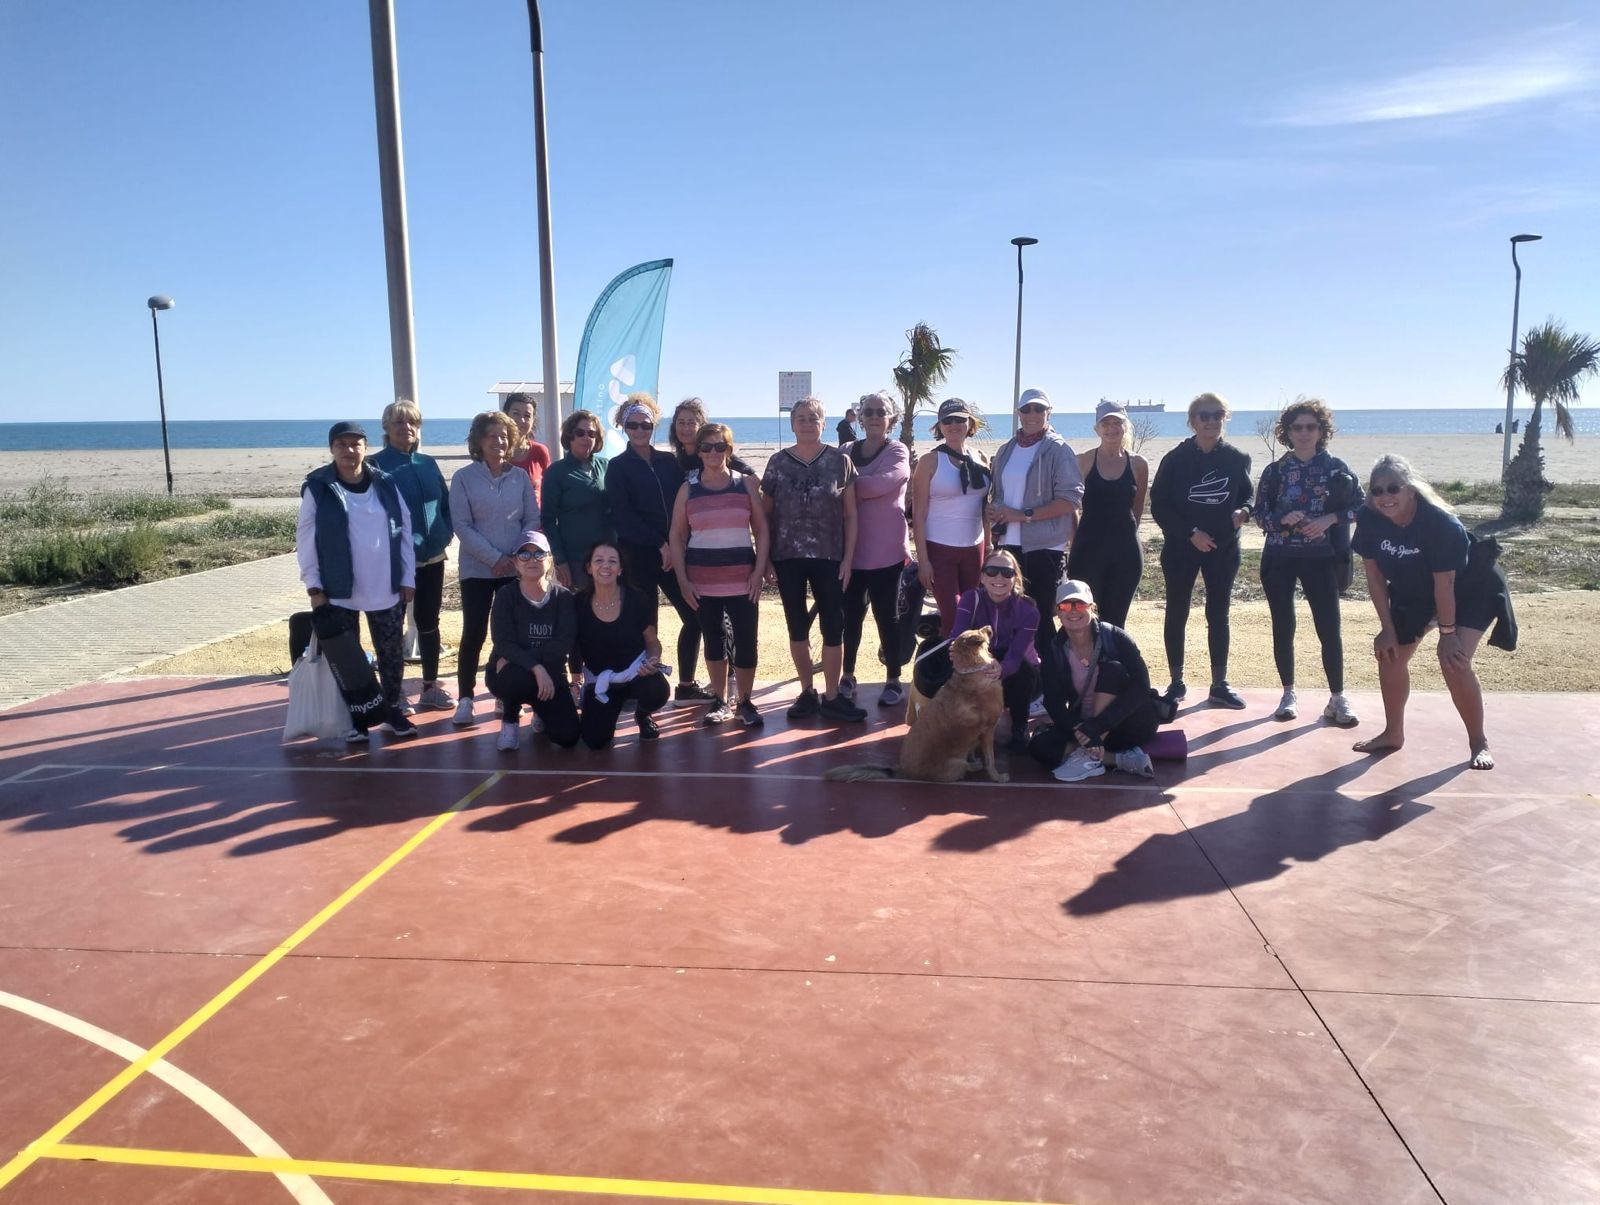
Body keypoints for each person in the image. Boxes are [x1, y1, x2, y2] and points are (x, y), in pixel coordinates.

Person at [1351, 455, 1515, 770]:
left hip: (1469, 589)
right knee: (1389, 654)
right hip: (1417, 592)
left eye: (1393, 488)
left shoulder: (1440, 524)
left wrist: (1448, 635)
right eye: (1377, 490)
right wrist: (1386, 628)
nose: (1385, 497)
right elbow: (1374, 578)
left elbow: (1446, 585)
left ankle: (1478, 741)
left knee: (1453, 661)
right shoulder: (1369, 519)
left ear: (1410, 490)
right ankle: (1392, 733)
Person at [296, 420, 417, 740]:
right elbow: (306, 539)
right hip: (339, 589)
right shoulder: (318, 487)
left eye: (355, 444)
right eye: (341, 445)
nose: (349, 451)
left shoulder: (387, 483)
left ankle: (392, 711)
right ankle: (356, 719)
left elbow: (403, 532)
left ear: (365, 447)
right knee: (348, 661)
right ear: (332, 449)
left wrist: (407, 577)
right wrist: (314, 586)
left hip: (386, 586)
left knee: (391, 655)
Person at [1254, 398, 1363, 726]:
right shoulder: (1275, 471)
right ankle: (1288, 693)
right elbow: (1259, 515)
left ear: (1321, 431)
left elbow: (1364, 507)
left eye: (1310, 427)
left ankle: (1337, 698)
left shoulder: (1336, 469)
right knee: (1283, 626)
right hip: (1279, 557)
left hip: (1322, 559)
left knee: (1329, 628)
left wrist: (1330, 519)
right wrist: (1283, 519)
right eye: (1297, 427)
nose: (1303, 433)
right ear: (1287, 432)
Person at [603, 392, 715, 707]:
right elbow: (622, 517)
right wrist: (660, 543)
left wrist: (675, 544)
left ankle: (686, 685)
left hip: (674, 553)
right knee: (645, 624)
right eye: (634, 426)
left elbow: (687, 502)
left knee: (695, 615)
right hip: (638, 555)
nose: (640, 431)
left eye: (646, 426)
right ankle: (640, 688)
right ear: (624, 428)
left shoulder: (669, 462)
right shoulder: (617, 467)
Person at [761, 395, 865, 721]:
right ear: (792, 424)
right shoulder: (777, 462)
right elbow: (764, 516)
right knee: (796, 626)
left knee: (834, 626)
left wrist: (848, 558)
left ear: (823, 423)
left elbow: (850, 515)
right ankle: (807, 692)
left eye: (813, 418)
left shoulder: (840, 461)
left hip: (829, 555)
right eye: (801, 418)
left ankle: (832, 695)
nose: (807, 423)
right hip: (787, 556)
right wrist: (763, 561)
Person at [1149, 392, 1253, 708]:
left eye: (1217, 414)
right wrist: (1190, 533)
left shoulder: (1236, 459)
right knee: (1177, 611)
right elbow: (1159, 506)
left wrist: (1244, 513)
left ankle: (1219, 684)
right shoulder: (1175, 459)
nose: (1211, 421)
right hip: (1182, 547)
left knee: (1218, 613)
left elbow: (1248, 497)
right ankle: (1176, 682)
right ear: (1193, 421)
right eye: (1204, 416)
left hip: (1223, 549)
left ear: (1225, 418)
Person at [669, 422, 769, 728]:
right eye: (707, 447)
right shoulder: (688, 489)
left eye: (720, 446)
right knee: (714, 641)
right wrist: (683, 580)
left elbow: (762, 531)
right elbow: (676, 536)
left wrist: (759, 571)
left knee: (746, 642)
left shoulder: (747, 483)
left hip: (743, 581)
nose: (714, 452)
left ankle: (746, 702)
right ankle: (721, 701)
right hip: (703, 583)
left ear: (730, 449)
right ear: (698, 452)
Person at [449, 410, 539, 728]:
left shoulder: (520, 477)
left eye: (504, 436)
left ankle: (504, 694)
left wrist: (516, 558)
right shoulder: (463, 478)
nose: (499, 441)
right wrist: (494, 558)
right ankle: (466, 700)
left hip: (514, 569)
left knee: (509, 637)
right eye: (492, 435)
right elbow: (461, 524)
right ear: (479, 441)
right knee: (474, 633)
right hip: (477, 570)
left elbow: (531, 519)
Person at [1032, 579, 1161, 781]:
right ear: (1057, 612)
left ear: (1092, 607)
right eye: (1065, 605)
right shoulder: (1054, 649)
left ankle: (1086, 755)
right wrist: (1080, 730)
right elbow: (1053, 701)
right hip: (1085, 728)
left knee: (1113, 670)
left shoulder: (1116, 638)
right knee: (1039, 747)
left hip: (1126, 723)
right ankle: (1117, 760)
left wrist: (1098, 726)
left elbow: (1141, 686)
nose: (1073, 611)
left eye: (1080, 604)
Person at [370, 399, 454, 713]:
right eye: (398, 423)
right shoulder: (375, 465)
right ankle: (394, 694)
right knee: (389, 626)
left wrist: (445, 532)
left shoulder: (427, 463)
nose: (406, 429)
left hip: (433, 558)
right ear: (387, 430)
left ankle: (430, 688)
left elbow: (444, 503)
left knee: (429, 623)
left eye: (412, 423)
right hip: (395, 564)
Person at [987, 387, 1084, 642]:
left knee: (1039, 619)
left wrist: (1023, 515)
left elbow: (1071, 499)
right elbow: (1001, 494)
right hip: (1009, 546)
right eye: (1027, 409)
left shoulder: (1058, 450)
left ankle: (1048, 678)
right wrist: (994, 509)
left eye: (1039, 408)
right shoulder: (1007, 449)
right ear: (1018, 413)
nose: (1032, 414)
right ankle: (1018, 677)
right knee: (1011, 617)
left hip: (1045, 547)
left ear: (1048, 413)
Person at [840, 391, 912, 707]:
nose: (873, 416)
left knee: (888, 616)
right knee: (850, 617)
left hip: (887, 552)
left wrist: (847, 489)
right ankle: (847, 674)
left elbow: (884, 483)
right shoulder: (845, 450)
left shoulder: (897, 450)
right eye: (867, 411)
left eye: (880, 412)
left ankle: (893, 678)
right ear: (860, 416)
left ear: (891, 419)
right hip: (851, 552)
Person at [485, 531, 581, 752]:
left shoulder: (563, 598)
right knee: (510, 676)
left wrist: (534, 665)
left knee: (568, 737)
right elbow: (503, 643)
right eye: (524, 554)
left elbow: (563, 643)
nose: (532, 560)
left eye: (539, 553)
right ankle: (510, 718)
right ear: (515, 562)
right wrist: (536, 667)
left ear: (549, 560)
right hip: (515, 674)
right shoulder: (506, 596)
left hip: (549, 674)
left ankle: (541, 711)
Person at [573, 542, 670, 748]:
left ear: (620, 569)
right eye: (599, 560)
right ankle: (608, 713)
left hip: (636, 674)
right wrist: (574, 680)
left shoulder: (636, 598)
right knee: (594, 740)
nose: (605, 566)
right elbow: (572, 645)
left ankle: (642, 714)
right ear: (589, 568)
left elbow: (652, 641)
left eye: (612, 561)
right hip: (601, 681)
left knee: (657, 690)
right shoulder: (577, 602)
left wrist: (652, 661)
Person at [912, 398, 991, 637]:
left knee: (974, 614)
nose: (954, 425)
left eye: (960, 419)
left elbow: (984, 508)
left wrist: (989, 546)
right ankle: (953, 670)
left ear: (970, 423)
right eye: (947, 420)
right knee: (954, 615)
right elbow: (918, 514)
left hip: (974, 549)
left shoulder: (981, 458)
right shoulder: (929, 462)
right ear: (939, 426)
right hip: (940, 550)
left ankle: (970, 670)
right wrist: (923, 561)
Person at [1068, 400, 1149, 629]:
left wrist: (1128, 535)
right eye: (1106, 423)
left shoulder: (1138, 464)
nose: (1111, 428)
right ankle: (1085, 665)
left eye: (1117, 423)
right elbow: (1071, 504)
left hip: (1125, 552)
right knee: (1085, 618)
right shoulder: (1083, 460)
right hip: (1087, 550)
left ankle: (1112, 664)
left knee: (1115, 621)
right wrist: (1074, 539)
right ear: (1097, 428)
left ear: (1125, 426)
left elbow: (1138, 507)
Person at [950, 549, 1040, 751]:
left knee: (1024, 671)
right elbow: (957, 635)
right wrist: (954, 651)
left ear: (1015, 578)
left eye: (1007, 572)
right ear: (982, 576)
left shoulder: (1029, 610)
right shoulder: (970, 598)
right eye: (991, 571)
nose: (999, 577)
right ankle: (958, 725)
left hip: (1014, 670)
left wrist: (1001, 669)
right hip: (980, 660)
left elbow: (1016, 655)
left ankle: (1019, 726)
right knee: (943, 668)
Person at [541, 409, 612, 591]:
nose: (585, 437)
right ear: (570, 436)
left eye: (591, 433)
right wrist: (560, 560)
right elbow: (548, 520)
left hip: (606, 557)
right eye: (580, 432)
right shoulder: (556, 472)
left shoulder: (607, 466)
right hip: (574, 560)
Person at [668, 397, 754, 477]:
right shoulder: (676, 461)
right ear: (674, 426)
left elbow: (749, 472)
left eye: (691, 423)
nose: (686, 428)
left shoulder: (713, 453)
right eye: (681, 423)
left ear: (701, 427)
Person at [502, 391, 553, 506]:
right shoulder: (495, 451)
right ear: (505, 415)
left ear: (533, 420)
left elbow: (550, 492)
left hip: (535, 522)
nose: (521, 420)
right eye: (516, 413)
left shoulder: (540, 451)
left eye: (527, 415)